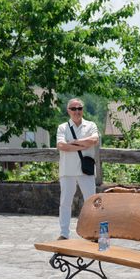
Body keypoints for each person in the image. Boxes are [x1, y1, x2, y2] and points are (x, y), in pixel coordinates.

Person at [56, 98, 99, 239]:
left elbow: (94, 140)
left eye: (79, 108)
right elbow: (61, 146)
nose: (77, 111)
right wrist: (83, 145)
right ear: (68, 111)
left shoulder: (91, 125)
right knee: (65, 203)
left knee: (92, 202)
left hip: (85, 170)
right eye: (73, 109)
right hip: (67, 171)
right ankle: (64, 234)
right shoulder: (62, 127)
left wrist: (74, 142)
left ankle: (93, 233)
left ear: (83, 110)